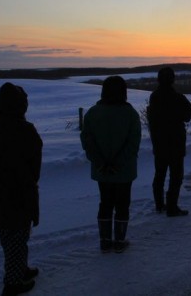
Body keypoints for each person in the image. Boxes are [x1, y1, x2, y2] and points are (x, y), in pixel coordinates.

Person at [0, 82, 43, 296]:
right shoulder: (24, 129)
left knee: (10, 238)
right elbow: (35, 164)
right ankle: (13, 283)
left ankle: (20, 269)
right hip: (18, 194)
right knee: (17, 237)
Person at [80, 76, 141, 253]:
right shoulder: (130, 114)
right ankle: (119, 241)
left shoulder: (92, 113)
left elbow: (87, 141)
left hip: (102, 171)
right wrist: (118, 163)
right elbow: (133, 143)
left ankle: (105, 241)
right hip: (124, 171)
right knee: (122, 204)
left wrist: (101, 163)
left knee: (105, 202)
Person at [147, 67, 191, 217]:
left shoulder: (154, 97)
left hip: (159, 143)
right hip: (176, 143)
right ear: (173, 79)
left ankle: (160, 205)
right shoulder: (178, 98)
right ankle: (172, 207)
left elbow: (151, 119)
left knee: (159, 175)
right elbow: (187, 116)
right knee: (176, 176)